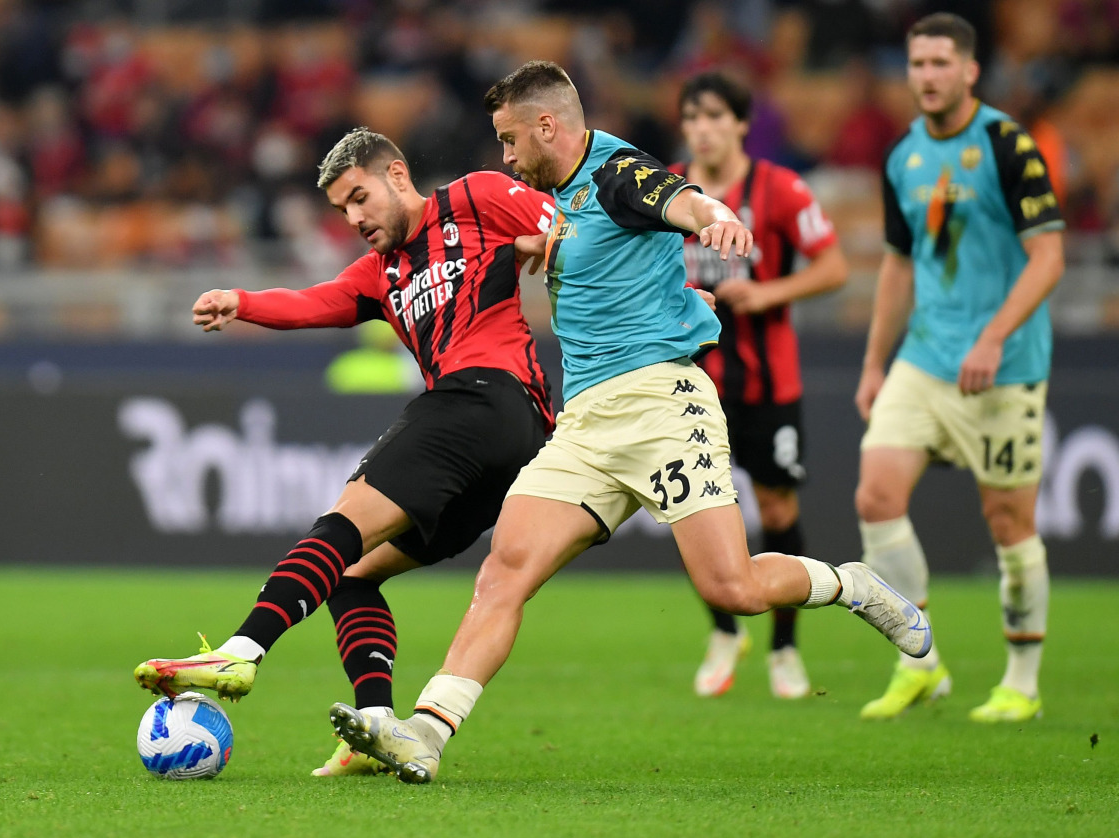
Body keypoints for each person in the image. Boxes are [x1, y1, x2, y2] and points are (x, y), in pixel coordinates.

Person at [328, 60, 931, 785]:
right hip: (584, 422)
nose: (507, 157)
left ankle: (853, 584)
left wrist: (720, 219)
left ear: (548, 126)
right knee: (504, 572)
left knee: (730, 590)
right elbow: (562, 242)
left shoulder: (618, 171)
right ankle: (426, 732)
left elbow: (681, 200)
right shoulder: (551, 204)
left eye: (512, 140)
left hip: (660, 404)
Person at [132, 127, 558, 776]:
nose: (354, 217)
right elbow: (312, 304)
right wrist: (241, 302)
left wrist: (564, 246)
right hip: (508, 446)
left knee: (340, 526)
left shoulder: (477, 196)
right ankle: (377, 728)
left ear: (395, 174)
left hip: (484, 396)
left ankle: (240, 650)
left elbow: (576, 227)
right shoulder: (380, 274)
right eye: (341, 209)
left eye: (359, 197)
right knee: (353, 574)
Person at [853, 13, 1064, 722]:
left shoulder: (1006, 144)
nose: (929, 76)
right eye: (918, 64)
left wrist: (994, 337)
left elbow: (1049, 257)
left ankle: (1023, 684)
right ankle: (922, 663)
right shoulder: (903, 157)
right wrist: (875, 362)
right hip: (925, 355)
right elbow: (898, 263)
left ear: (970, 71)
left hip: (1004, 364)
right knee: (875, 497)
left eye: (943, 63)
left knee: (1009, 523)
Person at [671, 70, 849, 700]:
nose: (703, 129)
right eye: (693, 118)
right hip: (690, 381)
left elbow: (834, 266)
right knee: (687, 505)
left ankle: (784, 649)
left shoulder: (780, 189)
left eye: (716, 116)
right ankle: (723, 631)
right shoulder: (666, 192)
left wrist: (768, 291)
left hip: (768, 383)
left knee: (776, 511)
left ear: (742, 123)